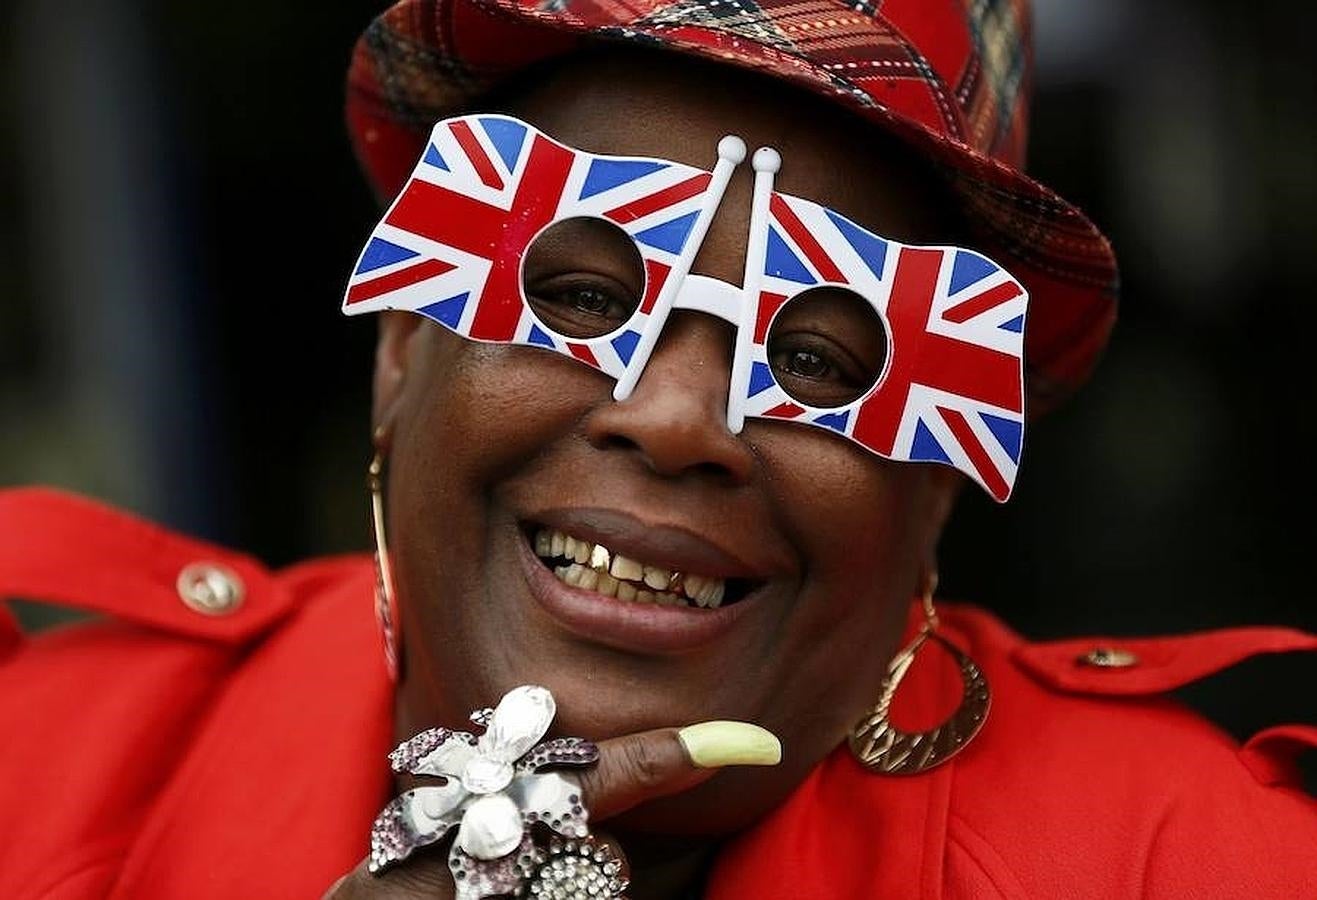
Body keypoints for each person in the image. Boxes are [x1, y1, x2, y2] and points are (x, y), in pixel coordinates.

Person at [1, 0, 1314, 897]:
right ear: (402, 353)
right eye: (576, 296)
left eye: (818, 361)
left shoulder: (1188, 859)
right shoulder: (45, 773)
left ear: (932, 493)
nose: (676, 419)